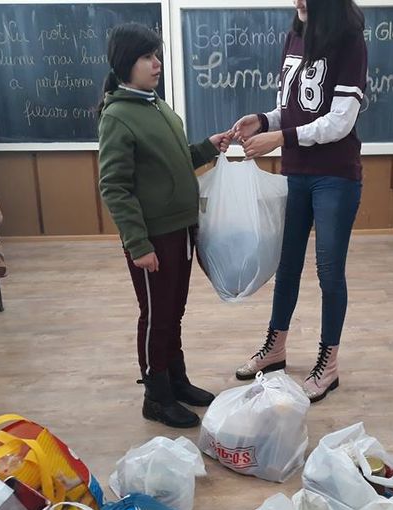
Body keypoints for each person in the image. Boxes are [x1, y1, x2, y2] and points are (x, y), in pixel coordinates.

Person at [231, 0, 367, 403]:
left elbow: (340, 121)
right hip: (296, 172)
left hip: (334, 176)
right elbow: (291, 109)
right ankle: (275, 349)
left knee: (329, 271)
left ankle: (329, 364)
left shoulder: (350, 42)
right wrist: (263, 120)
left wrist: (280, 137)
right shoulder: (294, 36)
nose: (300, 1)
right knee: (287, 264)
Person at [98, 23, 230, 428]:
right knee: (156, 315)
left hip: (180, 230)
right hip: (153, 237)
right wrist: (138, 244)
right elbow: (114, 186)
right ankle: (155, 396)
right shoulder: (118, 117)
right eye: (147, 57)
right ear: (126, 63)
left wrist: (208, 147)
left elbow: (174, 161)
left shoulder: (157, 106)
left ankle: (176, 380)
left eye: (157, 55)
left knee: (174, 310)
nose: (156, 63)